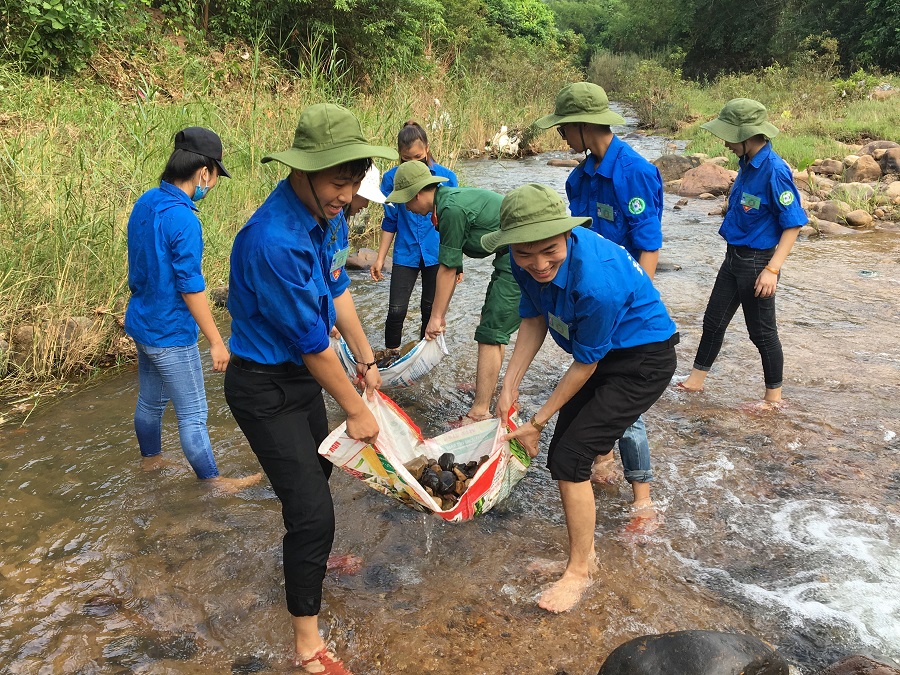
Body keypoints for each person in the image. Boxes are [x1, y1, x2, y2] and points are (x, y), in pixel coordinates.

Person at [223, 104, 397, 675]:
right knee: (313, 512)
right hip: (260, 384)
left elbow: (338, 288)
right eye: (336, 181)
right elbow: (309, 342)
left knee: (315, 478)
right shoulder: (272, 241)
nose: (346, 195)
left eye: (353, 182)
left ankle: (309, 556)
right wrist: (356, 409)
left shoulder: (328, 216)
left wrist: (367, 358)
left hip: (301, 378)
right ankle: (306, 647)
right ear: (301, 170)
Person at [484, 184, 679, 613]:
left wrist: (536, 421)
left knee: (569, 457)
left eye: (549, 250)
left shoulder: (597, 283)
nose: (538, 264)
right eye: (525, 254)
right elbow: (533, 316)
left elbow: (585, 365)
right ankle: (583, 553)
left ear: (568, 235)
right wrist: (509, 384)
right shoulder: (522, 260)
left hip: (641, 361)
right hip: (600, 354)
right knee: (567, 453)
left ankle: (579, 571)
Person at [534, 81, 664, 511]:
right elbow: (571, 245)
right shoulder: (578, 177)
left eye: (564, 129)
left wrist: (626, 305)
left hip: (621, 298)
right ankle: (599, 464)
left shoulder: (636, 173)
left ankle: (642, 498)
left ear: (584, 125)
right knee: (596, 388)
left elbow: (649, 245)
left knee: (625, 405)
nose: (562, 138)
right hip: (591, 298)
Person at [124, 126, 261, 494]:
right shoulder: (184, 218)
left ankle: (150, 461)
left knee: (150, 402)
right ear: (204, 172)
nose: (212, 185)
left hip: (142, 322)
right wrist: (217, 341)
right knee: (193, 414)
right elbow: (191, 286)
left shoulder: (146, 202)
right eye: (214, 177)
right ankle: (213, 482)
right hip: (170, 332)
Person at [677, 98, 806, 407]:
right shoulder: (747, 164)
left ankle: (773, 399)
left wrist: (772, 269)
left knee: (761, 333)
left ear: (749, 135)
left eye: (730, 136)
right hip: (733, 258)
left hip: (757, 263)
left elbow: (794, 223)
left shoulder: (774, 171)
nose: (725, 142)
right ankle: (695, 382)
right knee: (713, 321)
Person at [385, 160, 520, 424]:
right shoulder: (445, 205)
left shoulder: (450, 210)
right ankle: (487, 387)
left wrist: (436, 318)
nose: (407, 208)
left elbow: (446, 269)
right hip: (507, 256)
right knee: (493, 327)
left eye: (406, 201)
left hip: (518, 256)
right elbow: (453, 262)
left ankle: (479, 411)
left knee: (491, 332)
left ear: (418, 194)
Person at [370, 121, 459, 355]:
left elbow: (454, 226)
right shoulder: (391, 180)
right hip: (405, 251)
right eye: (406, 159)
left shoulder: (446, 177)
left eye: (418, 157)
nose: (413, 163)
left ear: (427, 148)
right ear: (399, 155)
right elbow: (390, 220)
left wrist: (457, 264)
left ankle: (423, 355)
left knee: (429, 309)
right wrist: (380, 259)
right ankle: (391, 356)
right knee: (396, 310)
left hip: (435, 252)